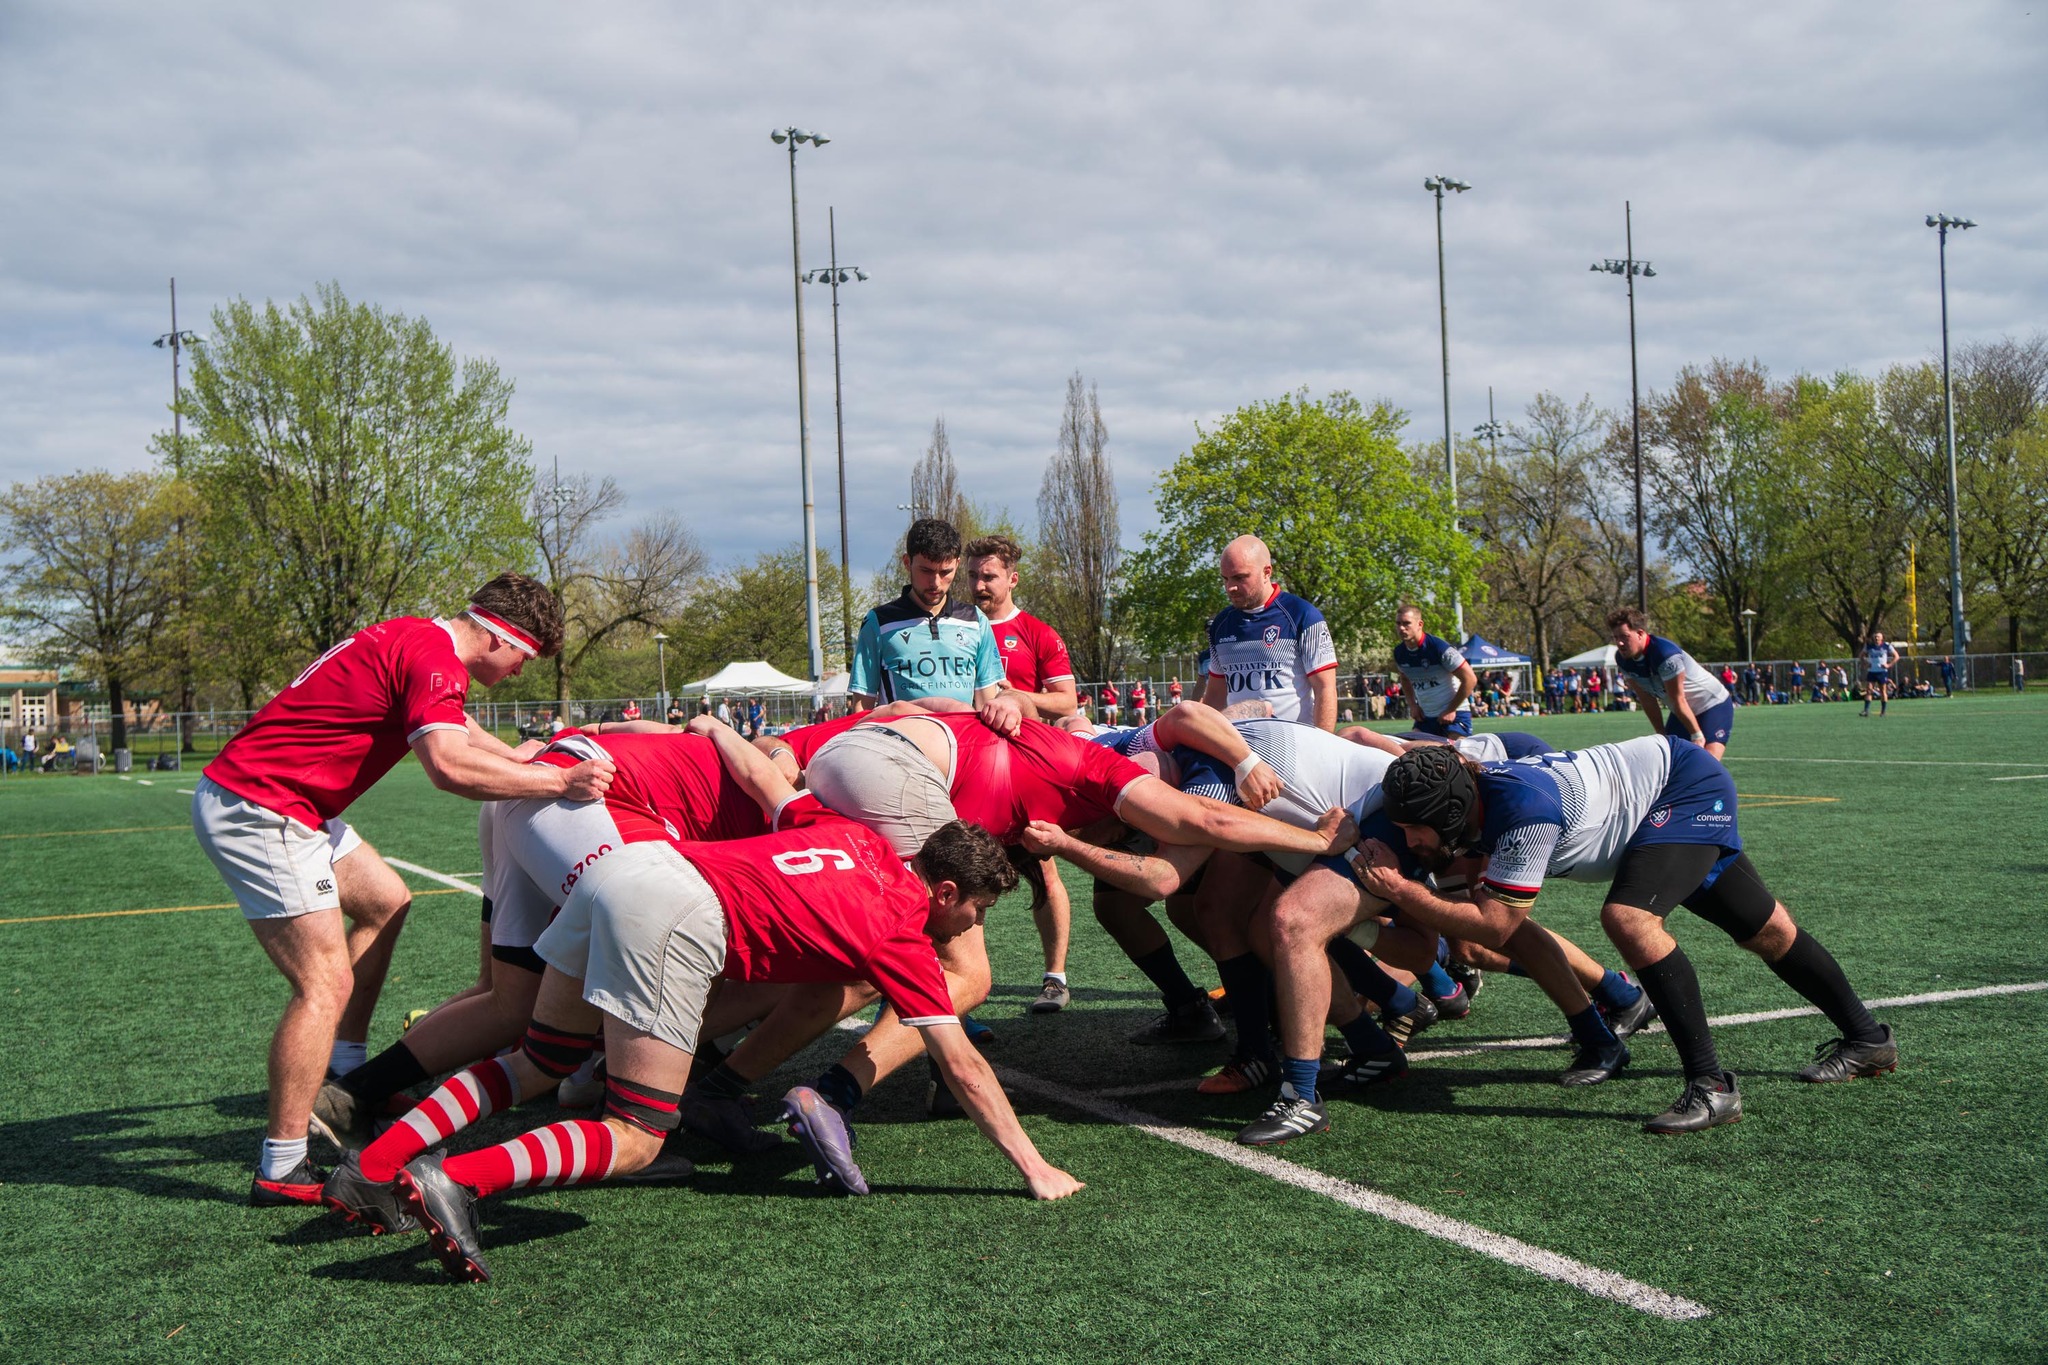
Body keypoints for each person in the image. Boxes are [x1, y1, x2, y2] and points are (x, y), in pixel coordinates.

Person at [323, 786, 1080, 1281]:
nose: (972, 927)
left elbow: (785, 803)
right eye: (974, 912)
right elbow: (963, 1063)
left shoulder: (859, 837)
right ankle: (456, 1178)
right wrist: (1034, 1163)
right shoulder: (902, 933)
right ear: (944, 891)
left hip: (624, 866)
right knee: (638, 1132)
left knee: (537, 1061)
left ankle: (375, 1166)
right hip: (674, 909)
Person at [191, 573, 614, 1207]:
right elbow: (447, 766)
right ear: (502, 639)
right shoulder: (438, 660)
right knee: (323, 984)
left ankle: (346, 1072)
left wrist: (517, 757)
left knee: (386, 901)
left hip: (286, 800)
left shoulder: (421, 638)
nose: (523, 672)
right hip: (267, 807)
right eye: (526, 657)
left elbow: (456, 724)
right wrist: (560, 784)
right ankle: (280, 1167)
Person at [1356, 740, 1897, 1135]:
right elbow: (1439, 751)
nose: (1406, 839)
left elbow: (1498, 925)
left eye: (1412, 829)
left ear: (1451, 810)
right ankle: (1868, 1038)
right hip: (1657, 804)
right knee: (1768, 933)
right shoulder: (1462, 778)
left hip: (1680, 790)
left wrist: (1401, 891)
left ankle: (1712, 1087)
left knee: (1628, 918)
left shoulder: (1525, 812)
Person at [964, 533, 1080, 1012]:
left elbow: (1068, 701)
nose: (978, 585)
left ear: (1012, 579)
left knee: (1044, 870)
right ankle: (969, 982)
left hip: (1024, 772)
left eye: (988, 576)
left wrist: (1018, 698)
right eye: (972, 575)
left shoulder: (1037, 632)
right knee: (967, 873)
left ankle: (1055, 978)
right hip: (968, 772)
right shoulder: (955, 629)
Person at [849, 518, 1006, 711]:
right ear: (907, 563)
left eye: (945, 572)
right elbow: (861, 707)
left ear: (957, 564)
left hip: (959, 739)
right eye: (926, 571)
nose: (936, 583)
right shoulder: (879, 622)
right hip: (901, 739)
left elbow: (985, 704)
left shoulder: (975, 620)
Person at [1200, 535, 1338, 729]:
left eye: (1240, 577)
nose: (1230, 587)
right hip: (1238, 745)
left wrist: (1323, 749)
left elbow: (1325, 689)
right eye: (1225, 579)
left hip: (1293, 743)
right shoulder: (1221, 624)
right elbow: (1215, 694)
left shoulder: (1303, 615)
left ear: (1267, 572)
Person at [1608, 607, 1735, 758]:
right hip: (1682, 710)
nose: (1620, 643)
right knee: (1672, 762)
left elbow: (1678, 699)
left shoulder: (1665, 655)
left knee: (1707, 762)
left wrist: (1697, 736)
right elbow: (1647, 700)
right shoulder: (1623, 659)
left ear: (1641, 633)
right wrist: (1661, 734)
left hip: (1712, 704)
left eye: (1624, 637)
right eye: (1616, 638)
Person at [1391, 605, 1477, 737]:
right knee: (1413, 753)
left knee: (1456, 754)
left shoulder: (1439, 648)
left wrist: (1451, 709)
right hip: (1426, 716)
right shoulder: (1399, 653)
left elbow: (1470, 679)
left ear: (1420, 624)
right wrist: (1413, 705)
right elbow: (1405, 678)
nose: (1401, 628)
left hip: (1455, 714)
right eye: (1398, 623)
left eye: (1407, 623)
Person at [1860, 632, 1900, 718]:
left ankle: (1883, 711)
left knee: (1883, 691)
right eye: (1875, 637)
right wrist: (1866, 663)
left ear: (1882, 638)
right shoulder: (1869, 645)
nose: (1876, 638)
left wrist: (1889, 665)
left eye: (1878, 637)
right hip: (1872, 671)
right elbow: (1861, 656)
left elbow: (1896, 656)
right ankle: (1866, 710)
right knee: (1869, 690)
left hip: (1882, 672)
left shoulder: (1886, 646)